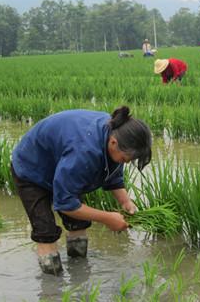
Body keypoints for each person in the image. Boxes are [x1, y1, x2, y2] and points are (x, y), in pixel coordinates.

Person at [10, 106, 152, 275]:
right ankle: (53, 288)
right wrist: (108, 218)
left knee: (78, 224)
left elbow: (113, 171)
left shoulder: (117, 131)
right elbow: (66, 204)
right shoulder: (84, 152)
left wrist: (125, 201)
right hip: (32, 169)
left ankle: (79, 277)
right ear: (113, 143)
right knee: (45, 232)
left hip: (63, 165)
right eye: (125, 158)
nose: (126, 163)